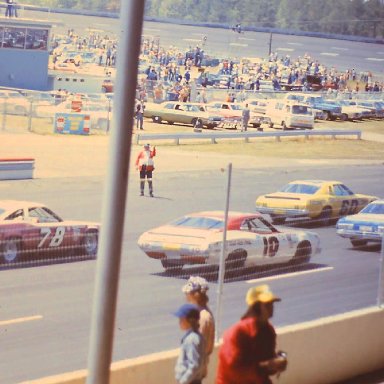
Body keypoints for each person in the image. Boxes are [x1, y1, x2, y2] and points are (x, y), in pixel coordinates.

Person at [216, 284, 288, 384]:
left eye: (272, 304)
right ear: (256, 307)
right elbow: (234, 369)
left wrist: (277, 365)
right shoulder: (238, 331)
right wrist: (268, 365)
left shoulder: (269, 331)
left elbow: (266, 366)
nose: (271, 307)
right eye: (267, 304)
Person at [182, 276, 215, 380]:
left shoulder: (203, 317)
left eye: (188, 293)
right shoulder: (199, 313)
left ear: (195, 295)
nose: (186, 295)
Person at [174, 303, 206, 384]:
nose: (179, 322)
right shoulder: (197, 336)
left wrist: (183, 381)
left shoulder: (191, 339)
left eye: (181, 319)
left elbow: (194, 365)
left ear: (190, 321)